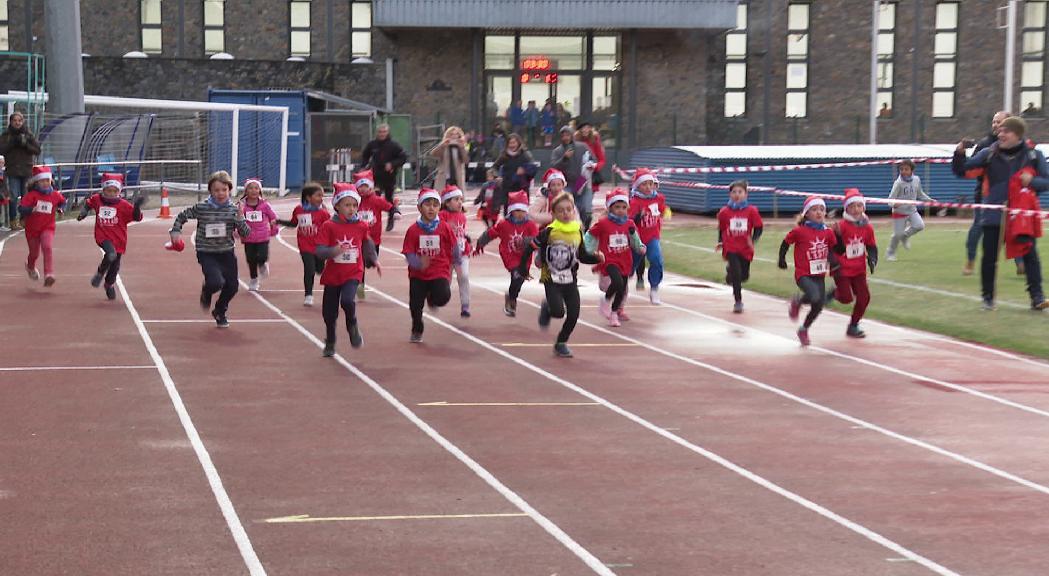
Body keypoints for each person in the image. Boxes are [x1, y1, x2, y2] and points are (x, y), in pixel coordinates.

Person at [953, 116, 1049, 310]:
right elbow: (962, 171)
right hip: (993, 214)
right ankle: (988, 299)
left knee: (1030, 256)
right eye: (1000, 130)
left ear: (1018, 134)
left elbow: (1046, 182)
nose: (1000, 133)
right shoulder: (989, 153)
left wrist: (1031, 181)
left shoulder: (1033, 155)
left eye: (1006, 131)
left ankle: (1037, 298)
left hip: (1021, 216)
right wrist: (959, 153)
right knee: (989, 258)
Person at [518, 191, 603, 358]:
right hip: (551, 277)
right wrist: (523, 268)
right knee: (558, 312)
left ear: (573, 211)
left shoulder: (577, 231)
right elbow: (530, 248)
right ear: (554, 214)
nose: (565, 213)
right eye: (561, 210)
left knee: (573, 314)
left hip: (570, 279)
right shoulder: (549, 232)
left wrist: (596, 258)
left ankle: (561, 342)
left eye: (569, 210)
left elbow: (582, 256)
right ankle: (548, 308)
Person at [167, 171, 251, 328]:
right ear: (211, 191)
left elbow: (246, 234)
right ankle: (207, 291)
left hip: (226, 252)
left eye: (224, 190)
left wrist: (240, 217)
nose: (220, 193)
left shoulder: (234, 210)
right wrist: (176, 232)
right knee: (215, 282)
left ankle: (219, 310)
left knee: (232, 287)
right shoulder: (202, 207)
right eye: (216, 190)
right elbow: (182, 216)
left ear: (229, 190)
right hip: (206, 252)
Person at [315, 182, 379, 357]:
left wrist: (373, 258)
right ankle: (330, 340)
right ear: (337, 205)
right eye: (347, 205)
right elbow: (319, 251)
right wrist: (333, 251)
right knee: (329, 312)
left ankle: (352, 325)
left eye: (354, 205)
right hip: (333, 275)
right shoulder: (329, 226)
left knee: (348, 301)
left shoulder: (361, 226)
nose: (352, 209)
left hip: (353, 272)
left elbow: (367, 242)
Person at [963, 111, 1025, 276]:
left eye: (999, 122)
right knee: (978, 228)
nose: (995, 125)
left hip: (1010, 196)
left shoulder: (1017, 144)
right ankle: (970, 261)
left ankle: (1020, 263)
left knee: (1012, 229)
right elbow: (971, 167)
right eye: (994, 122)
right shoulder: (985, 144)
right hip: (985, 195)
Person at [402, 188, 461, 343]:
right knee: (415, 305)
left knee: (443, 297)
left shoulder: (444, 228)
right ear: (420, 207)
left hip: (439, 271)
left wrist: (457, 260)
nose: (431, 208)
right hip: (418, 275)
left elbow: (454, 245)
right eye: (427, 204)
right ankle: (417, 327)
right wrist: (418, 263)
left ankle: (432, 298)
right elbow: (408, 252)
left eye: (435, 205)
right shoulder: (413, 230)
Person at [779, 196, 838, 346]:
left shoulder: (828, 232)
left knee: (818, 305)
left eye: (822, 209)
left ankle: (804, 329)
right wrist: (782, 259)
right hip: (803, 274)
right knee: (814, 295)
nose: (819, 212)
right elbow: (785, 243)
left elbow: (832, 250)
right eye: (814, 209)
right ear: (806, 213)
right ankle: (797, 302)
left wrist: (835, 264)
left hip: (819, 274)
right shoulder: (800, 231)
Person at [77, 173, 145, 300]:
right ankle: (100, 273)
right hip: (103, 236)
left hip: (119, 239)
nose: (111, 193)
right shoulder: (97, 199)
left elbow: (137, 217)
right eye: (108, 190)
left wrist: (137, 206)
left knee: (115, 266)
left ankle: (109, 284)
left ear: (119, 191)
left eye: (115, 191)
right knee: (110, 254)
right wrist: (84, 212)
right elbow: (89, 203)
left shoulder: (123, 205)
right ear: (103, 189)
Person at [585, 188, 645, 327]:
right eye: (617, 207)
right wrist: (587, 250)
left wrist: (640, 247)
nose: (621, 210)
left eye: (624, 207)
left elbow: (635, 238)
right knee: (616, 283)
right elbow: (590, 235)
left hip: (625, 259)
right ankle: (605, 301)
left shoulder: (630, 224)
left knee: (622, 289)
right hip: (609, 259)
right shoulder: (603, 223)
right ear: (610, 208)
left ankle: (614, 313)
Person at [473, 190, 539, 317]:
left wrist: (531, 245)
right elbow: (491, 233)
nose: (520, 214)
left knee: (519, 280)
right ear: (511, 211)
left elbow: (537, 240)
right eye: (517, 211)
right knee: (516, 274)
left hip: (525, 257)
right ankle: (512, 302)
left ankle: (511, 296)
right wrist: (480, 243)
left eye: (522, 211)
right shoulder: (504, 224)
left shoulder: (530, 225)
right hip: (509, 255)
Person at [829, 189, 878, 338]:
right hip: (841, 268)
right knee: (846, 298)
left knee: (864, 297)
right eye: (852, 206)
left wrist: (872, 258)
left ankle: (853, 325)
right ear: (847, 209)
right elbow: (831, 247)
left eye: (859, 206)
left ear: (864, 208)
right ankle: (832, 294)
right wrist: (834, 262)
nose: (856, 209)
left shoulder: (867, 227)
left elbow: (871, 245)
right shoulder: (841, 226)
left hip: (858, 269)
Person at [278, 182, 331, 307]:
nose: (321, 199)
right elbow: (293, 223)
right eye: (318, 196)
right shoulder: (299, 210)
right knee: (309, 269)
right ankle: (308, 295)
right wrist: (278, 221)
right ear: (308, 197)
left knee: (320, 269)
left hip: (319, 246)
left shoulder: (323, 213)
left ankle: (320, 269)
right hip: (305, 245)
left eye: (322, 196)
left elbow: (330, 228)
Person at [716, 179, 763, 313]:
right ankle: (738, 301)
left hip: (745, 248)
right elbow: (721, 228)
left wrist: (753, 240)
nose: (737, 194)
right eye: (734, 192)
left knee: (743, 276)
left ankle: (730, 273)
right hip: (731, 246)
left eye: (740, 192)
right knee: (737, 274)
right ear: (730, 194)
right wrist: (720, 241)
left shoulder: (751, 211)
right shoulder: (724, 212)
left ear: (746, 194)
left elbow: (759, 228)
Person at [629, 168, 673, 304]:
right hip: (637, 239)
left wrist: (666, 213)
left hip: (653, 237)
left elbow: (663, 209)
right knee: (631, 265)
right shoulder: (634, 201)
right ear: (637, 185)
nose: (648, 187)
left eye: (650, 184)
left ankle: (654, 288)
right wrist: (638, 216)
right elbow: (629, 222)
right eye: (644, 184)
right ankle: (621, 284)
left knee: (656, 260)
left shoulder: (658, 198)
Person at [18, 165, 65, 288]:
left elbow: (62, 201)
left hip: (47, 227)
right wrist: (30, 210)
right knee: (34, 253)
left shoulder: (55, 195)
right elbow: (21, 208)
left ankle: (49, 274)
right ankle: (30, 266)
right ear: (36, 182)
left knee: (47, 247)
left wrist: (60, 209)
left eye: (47, 181)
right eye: (42, 181)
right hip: (32, 229)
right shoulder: (31, 195)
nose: (45, 183)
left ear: (51, 181)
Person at [355, 169, 397, 300]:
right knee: (359, 263)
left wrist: (396, 212)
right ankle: (360, 286)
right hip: (359, 239)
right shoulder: (355, 201)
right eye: (359, 187)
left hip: (374, 240)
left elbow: (390, 208)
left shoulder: (376, 200)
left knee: (370, 263)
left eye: (365, 186)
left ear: (371, 187)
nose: (362, 190)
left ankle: (371, 263)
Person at [360, 124, 408, 232]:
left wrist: (392, 164)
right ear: (377, 133)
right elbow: (365, 155)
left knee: (388, 198)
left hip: (389, 176)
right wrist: (363, 166)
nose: (382, 134)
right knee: (374, 198)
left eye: (384, 132)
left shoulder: (394, 145)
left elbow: (403, 157)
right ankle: (372, 220)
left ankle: (391, 219)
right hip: (375, 175)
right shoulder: (372, 144)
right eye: (380, 132)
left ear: (388, 132)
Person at [0, 112, 42, 229]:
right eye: (15, 120)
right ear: (11, 122)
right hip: (13, 170)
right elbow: (1, 149)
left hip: (26, 169)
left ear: (23, 122)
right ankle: (13, 220)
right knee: (13, 196)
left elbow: (37, 150)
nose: (17, 123)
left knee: (26, 196)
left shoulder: (28, 134)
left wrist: (25, 144)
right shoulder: (6, 135)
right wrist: (12, 143)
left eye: (19, 120)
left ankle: (25, 219)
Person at [885, 159, 932, 261]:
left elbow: (920, 194)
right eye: (901, 169)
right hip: (899, 212)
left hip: (912, 210)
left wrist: (930, 200)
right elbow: (890, 200)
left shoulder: (916, 180)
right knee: (897, 235)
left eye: (906, 169)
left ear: (911, 170)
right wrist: (894, 204)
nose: (903, 171)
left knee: (919, 225)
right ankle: (890, 253)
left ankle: (905, 236)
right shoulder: (898, 183)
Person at [237, 177, 278, 292]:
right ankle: (254, 279)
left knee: (263, 256)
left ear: (259, 191)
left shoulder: (265, 205)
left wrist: (274, 228)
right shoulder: (242, 206)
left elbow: (273, 217)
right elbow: (237, 219)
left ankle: (262, 264)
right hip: (248, 237)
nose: (253, 190)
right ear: (246, 191)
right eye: (250, 188)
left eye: (256, 188)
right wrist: (236, 230)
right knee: (250, 259)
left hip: (263, 236)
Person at [550, 126, 596, 229]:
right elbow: (554, 167)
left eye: (568, 135)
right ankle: (572, 228)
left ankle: (586, 229)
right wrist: (564, 158)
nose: (565, 137)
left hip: (581, 181)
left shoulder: (582, 147)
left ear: (572, 135)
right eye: (563, 136)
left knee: (584, 208)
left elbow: (593, 159)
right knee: (569, 207)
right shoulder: (557, 151)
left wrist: (591, 165)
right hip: (566, 183)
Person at [440, 184, 473, 318]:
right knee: (445, 280)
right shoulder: (442, 215)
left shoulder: (462, 216)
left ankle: (465, 306)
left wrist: (466, 238)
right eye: (456, 199)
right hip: (447, 255)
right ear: (447, 203)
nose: (460, 202)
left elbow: (461, 232)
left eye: (461, 199)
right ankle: (439, 297)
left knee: (464, 277)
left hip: (462, 253)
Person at [491, 133, 537, 216]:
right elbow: (494, 167)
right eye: (510, 143)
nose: (512, 145)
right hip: (507, 189)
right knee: (508, 214)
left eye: (514, 142)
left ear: (518, 143)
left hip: (521, 190)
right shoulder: (504, 155)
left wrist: (525, 170)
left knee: (522, 214)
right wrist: (497, 177)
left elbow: (533, 169)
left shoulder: (525, 155)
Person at [431, 125, 468, 190]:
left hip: (457, 177)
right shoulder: (445, 146)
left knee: (457, 197)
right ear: (448, 135)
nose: (454, 136)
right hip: (445, 176)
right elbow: (433, 154)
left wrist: (462, 147)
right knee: (443, 196)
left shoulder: (461, 147)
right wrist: (442, 145)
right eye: (452, 134)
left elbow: (466, 160)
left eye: (456, 134)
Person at [576, 120, 606, 193]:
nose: (585, 130)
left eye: (587, 128)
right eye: (583, 128)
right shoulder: (575, 141)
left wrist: (595, 166)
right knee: (577, 194)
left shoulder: (595, 141)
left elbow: (602, 160)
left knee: (588, 199)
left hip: (591, 175)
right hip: (578, 175)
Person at [0, 155, 9, 231]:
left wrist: (6, 193)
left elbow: (5, 184)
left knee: (4, 209)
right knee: (1, 210)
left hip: (3, 193)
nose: (1, 164)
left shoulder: (4, 172)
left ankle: (4, 224)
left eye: (2, 162)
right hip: (1, 194)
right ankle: (2, 224)